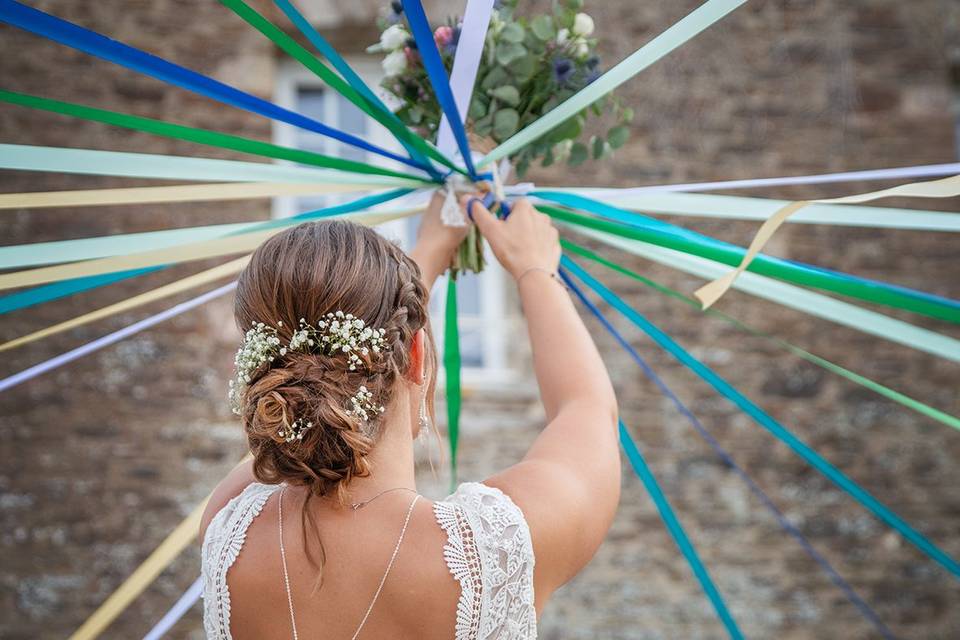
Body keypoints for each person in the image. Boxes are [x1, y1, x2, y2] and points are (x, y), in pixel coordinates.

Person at [199, 192, 621, 639]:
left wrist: (429, 255)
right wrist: (534, 268)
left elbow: (303, 415)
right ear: (416, 355)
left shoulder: (228, 529)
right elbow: (587, 409)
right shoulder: (493, 553)